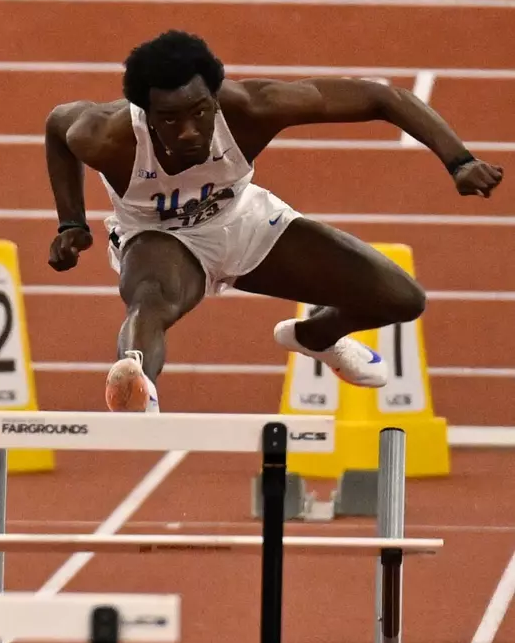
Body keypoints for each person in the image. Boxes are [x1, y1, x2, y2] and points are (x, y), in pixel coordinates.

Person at [44, 29, 502, 412]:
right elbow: (56, 127)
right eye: (170, 119)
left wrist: (458, 160)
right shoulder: (105, 135)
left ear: (216, 98)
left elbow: (382, 98)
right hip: (157, 236)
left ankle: (315, 335)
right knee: (150, 298)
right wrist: (71, 223)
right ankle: (137, 384)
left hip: (242, 218)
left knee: (402, 299)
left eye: (201, 112)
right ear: (144, 112)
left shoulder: (253, 107)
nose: (188, 130)